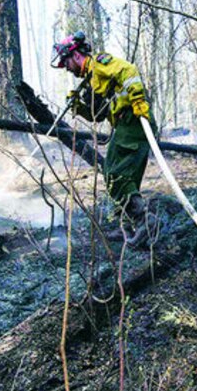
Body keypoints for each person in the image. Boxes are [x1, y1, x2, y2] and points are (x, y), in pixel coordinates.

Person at [51, 30, 155, 247]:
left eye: (66, 62)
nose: (67, 68)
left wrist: (137, 99)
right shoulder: (91, 80)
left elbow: (129, 71)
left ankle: (146, 222)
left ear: (76, 55)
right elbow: (96, 114)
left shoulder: (99, 63)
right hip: (124, 124)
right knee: (116, 173)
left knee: (116, 174)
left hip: (134, 119)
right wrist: (78, 105)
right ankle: (126, 227)